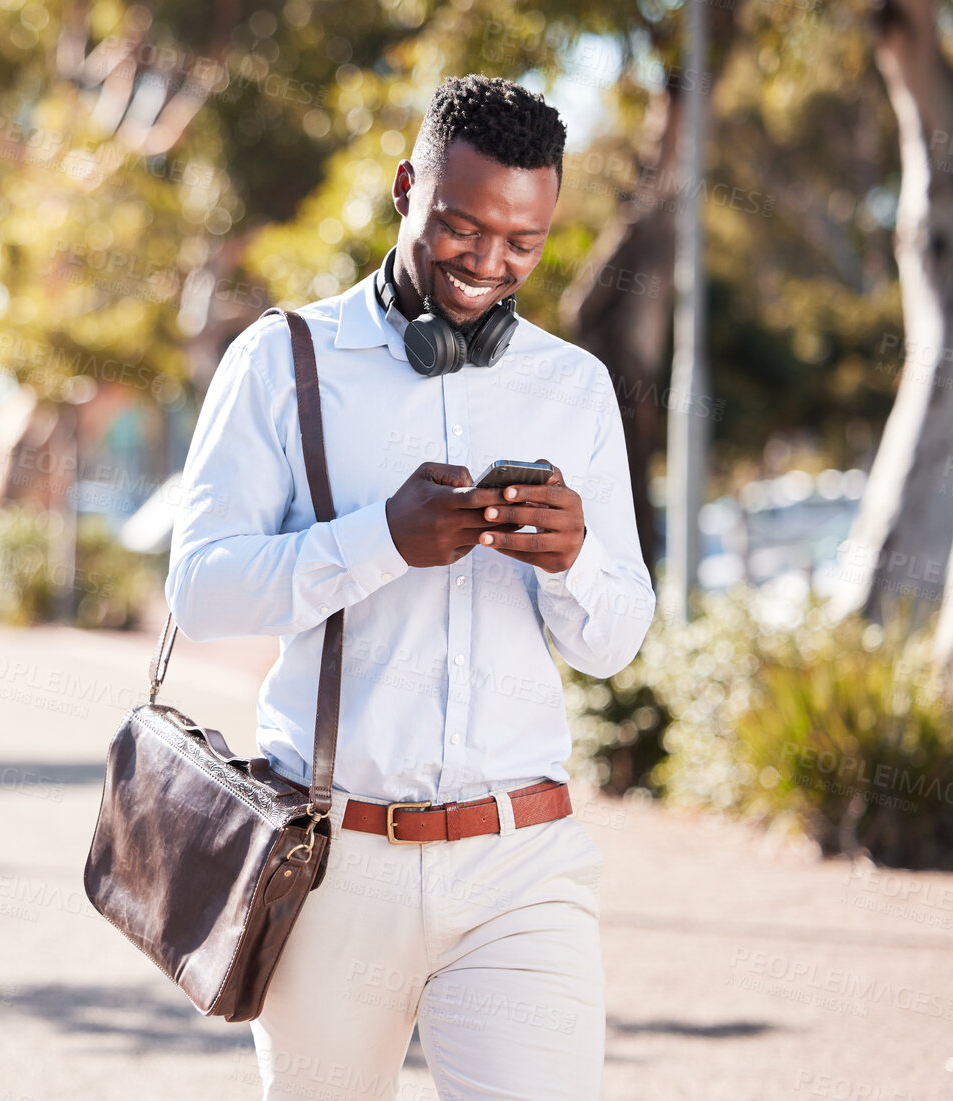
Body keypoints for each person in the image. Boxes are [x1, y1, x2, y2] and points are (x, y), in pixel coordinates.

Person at [166, 75, 656, 1100]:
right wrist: (377, 541)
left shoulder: (571, 387)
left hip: (522, 862)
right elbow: (202, 593)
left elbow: (613, 641)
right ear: (405, 190)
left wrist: (576, 562)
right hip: (332, 858)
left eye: (522, 243)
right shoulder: (284, 361)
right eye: (460, 229)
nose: (488, 264)